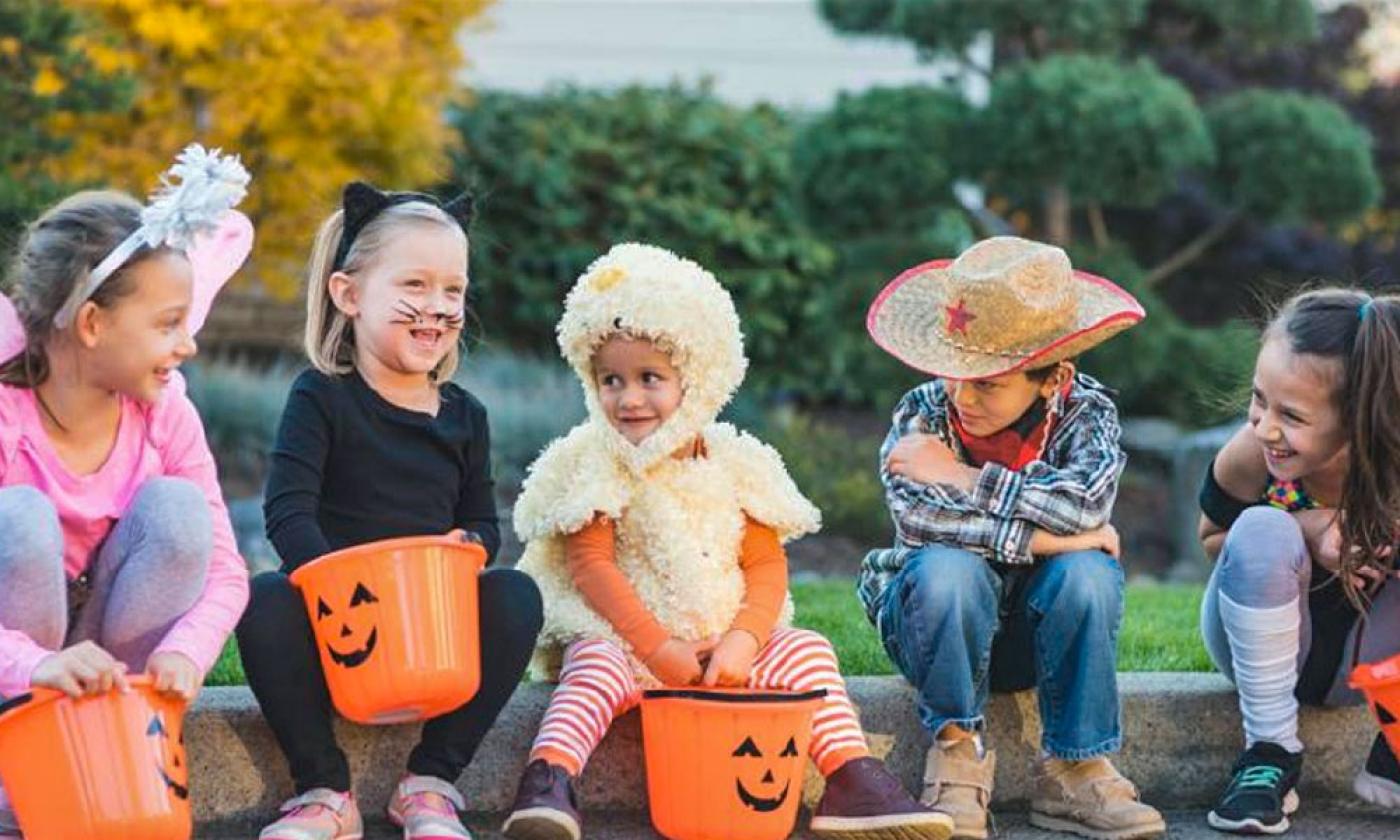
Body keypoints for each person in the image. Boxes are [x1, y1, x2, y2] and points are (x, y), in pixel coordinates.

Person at [502, 243, 952, 840]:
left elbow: (766, 565)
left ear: (699, 378)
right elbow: (591, 568)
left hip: (726, 653)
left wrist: (744, 640)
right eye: (610, 379)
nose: (628, 398)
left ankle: (849, 777)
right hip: (632, 644)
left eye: (649, 379)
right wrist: (659, 649)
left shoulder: (737, 462)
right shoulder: (597, 461)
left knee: (806, 651)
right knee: (593, 666)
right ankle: (550, 780)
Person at [237, 182, 543, 840]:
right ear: (349, 295)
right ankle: (323, 791)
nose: (438, 307)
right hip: (341, 628)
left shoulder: (466, 415)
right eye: (415, 285)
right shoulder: (321, 396)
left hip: (431, 629)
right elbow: (288, 513)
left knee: (516, 595)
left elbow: (483, 523)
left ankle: (430, 784)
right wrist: (339, 587)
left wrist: (471, 544)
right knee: (261, 598)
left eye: (453, 291)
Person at [860, 236, 1164, 839]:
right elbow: (924, 523)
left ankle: (1076, 768)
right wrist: (1051, 540)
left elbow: (1084, 504)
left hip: (1033, 635)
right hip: (934, 625)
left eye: (988, 383)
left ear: (1052, 379)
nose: (962, 396)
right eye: (956, 372)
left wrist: (961, 476)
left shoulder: (1087, 414)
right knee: (949, 568)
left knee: (1089, 575)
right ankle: (954, 754)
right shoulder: (921, 413)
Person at [0, 145, 254, 837]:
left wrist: (187, 651)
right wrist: (38, 664)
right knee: (18, 519)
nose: (188, 344)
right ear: (92, 325)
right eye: (167, 324)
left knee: (179, 513)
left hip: (114, 673)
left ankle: (117, 747)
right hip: (17, 668)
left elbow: (228, 570)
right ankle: (16, 771)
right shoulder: (5, 417)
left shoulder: (165, 409)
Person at [1197, 288, 1400, 834]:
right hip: (1263, 645)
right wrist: (1304, 528)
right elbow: (1214, 538)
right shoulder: (1251, 455)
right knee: (1260, 526)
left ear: (1359, 420)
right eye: (1260, 399)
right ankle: (1269, 755)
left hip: (1367, 659)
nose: (1265, 426)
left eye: (1291, 415)